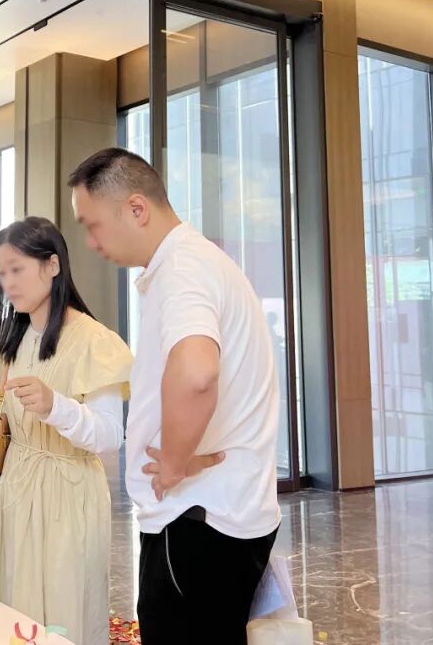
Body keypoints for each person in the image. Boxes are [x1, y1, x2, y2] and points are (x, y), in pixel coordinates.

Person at [69, 148, 279, 644]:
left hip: (195, 519)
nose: (91, 243)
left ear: (136, 208)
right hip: (221, 514)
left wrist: (174, 464)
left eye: (93, 225)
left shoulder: (182, 268)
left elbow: (197, 372)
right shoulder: (196, 261)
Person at [0, 217, 131, 643]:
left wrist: (56, 406)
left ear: (52, 265)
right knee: (12, 602)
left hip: (68, 493)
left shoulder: (95, 341)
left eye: (16, 268)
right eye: (1, 272)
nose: (7, 282)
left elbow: (110, 435)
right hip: (16, 487)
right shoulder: (14, 337)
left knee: (62, 607)